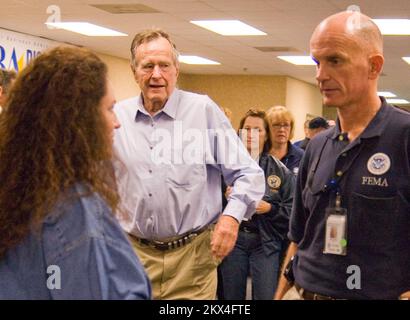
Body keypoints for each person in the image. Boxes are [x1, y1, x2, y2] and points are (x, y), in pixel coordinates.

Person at [113, 29, 265, 300]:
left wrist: (231, 218)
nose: (156, 74)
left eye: (164, 65)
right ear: (134, 71)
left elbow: (249, 174)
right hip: (132, 256)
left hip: (192, 260)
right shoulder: (117, 118)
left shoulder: (202, 111)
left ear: (177, 70)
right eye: (148, 66)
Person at [275, 11, 410, 300]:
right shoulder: (317, 145)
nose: (321, 75)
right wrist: (281, 292)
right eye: (317, 62)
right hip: (306, 291)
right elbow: (299, 235)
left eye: (335, 60)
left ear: (374, 66)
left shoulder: (404, 137)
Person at [0, 46, 151, 299]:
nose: (117, 122)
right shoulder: (71, 207)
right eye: (109, 108)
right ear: (80, 119)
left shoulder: (16, 186)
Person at [219, 109, 295, 300]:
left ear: (266, 135)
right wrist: (225, 198)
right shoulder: (225, 166)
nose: (251, 135)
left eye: (257, 130)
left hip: (265, 241)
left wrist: (269, 208)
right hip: (234, 239)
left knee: (265, 295)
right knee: (231, 295)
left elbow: (292, 211)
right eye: (246, 129)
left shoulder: (279, 170)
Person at [266, 106, 304, 176]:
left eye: (286, 125)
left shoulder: (301, 156)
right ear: (267, 128)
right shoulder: (260, 154)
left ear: (291, 128)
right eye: (276, 125)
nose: (282, 130)